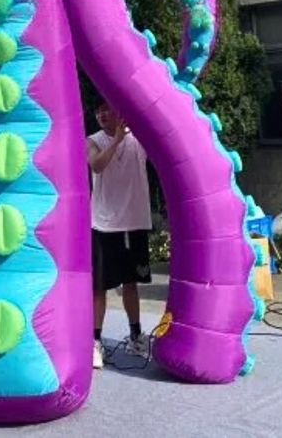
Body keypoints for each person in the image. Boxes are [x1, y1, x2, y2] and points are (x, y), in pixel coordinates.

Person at [88, 100, 153, 369]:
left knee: (131, 284)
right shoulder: (93, 140)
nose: (102, 114)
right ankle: (95, 342)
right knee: (99, 287)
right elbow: (96, 165)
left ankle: (136, 336)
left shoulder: (139, 140)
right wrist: (115, 141)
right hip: (103, 224)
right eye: (98, 110)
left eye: (107, 108)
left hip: (134, 222)